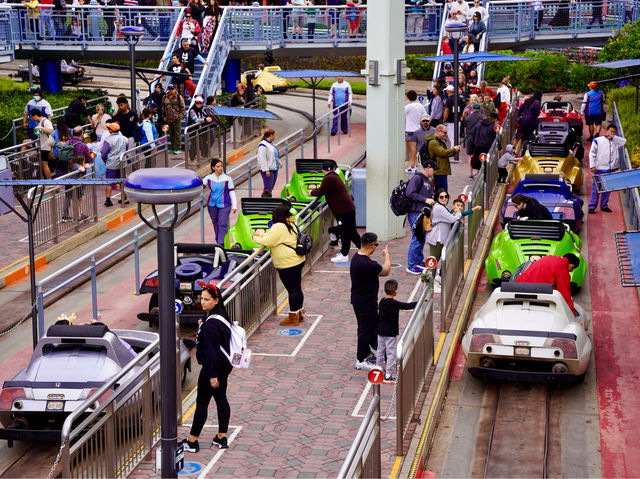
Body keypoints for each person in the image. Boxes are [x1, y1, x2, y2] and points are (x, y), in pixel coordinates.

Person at [181, 283, 232, 453]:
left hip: (212, 369)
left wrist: (212, 376)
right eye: (201, 299)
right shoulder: (221, 316)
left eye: (206, 299)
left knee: (201, 403)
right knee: (221, 399)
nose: (202, 302)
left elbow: (211, 351)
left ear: (216, 300)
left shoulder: (211, 325)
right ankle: (221, 437)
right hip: (224, 367)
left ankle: (192, 441)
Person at [252, 205, 306, 325]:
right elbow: (274, 237)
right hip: (297, 260)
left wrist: (255, 238)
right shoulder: (290, 223)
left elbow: (268, 241)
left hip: (287, 263)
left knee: (292, 290)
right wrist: (261, 235)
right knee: (297, 288)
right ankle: (300, 313)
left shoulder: (278, 226)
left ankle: (293, 317)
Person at [350, 232, 391, 371]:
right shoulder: (369, 264)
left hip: (357, 300)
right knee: (365, 329)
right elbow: (386, 271)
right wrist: (387, 256)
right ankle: (361, 359)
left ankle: (371, 352)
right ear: (372, 246)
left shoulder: (356, 257)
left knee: (370, 327)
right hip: (366, 302)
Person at [310, 160, 360, 263]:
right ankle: (363, 249)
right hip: (348, 207)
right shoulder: (335, 176)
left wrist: (311, 192)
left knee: (345, 232)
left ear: (323, 170)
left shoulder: (328, 179)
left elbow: (321, 191)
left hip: (343, 210)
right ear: (334, 168)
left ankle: (344, 254)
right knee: (351, 231)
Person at [376, 279, 417, 382]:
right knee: (391, 353)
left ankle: (378, 369)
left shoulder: (381, 301)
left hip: (380, 331)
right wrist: (418, 302)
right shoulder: (394, 303)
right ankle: (388, 375)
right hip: (390, 332)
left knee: (380, 351)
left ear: (385, 290)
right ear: (395, 291)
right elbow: (406, 306)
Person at [516, 254, 580, 314]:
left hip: (517, 286)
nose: (571, 271)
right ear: (571, 265)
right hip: (534, 293)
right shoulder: (562, 267)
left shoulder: (549, 258)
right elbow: (565, 293)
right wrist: (572, 313)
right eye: (572, 269)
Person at [425, 188, 462, 292]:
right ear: (437, 198)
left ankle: (436, 280)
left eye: (446, 196)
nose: (444, 198)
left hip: (439, 238)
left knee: (439, 260)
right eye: (441, 197)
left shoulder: (440, 207)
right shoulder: (439, 208)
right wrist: (459, 213)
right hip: (437, 238)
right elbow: (451, 219)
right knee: (434, 261)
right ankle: (429, 283)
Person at [405, 160, 437, 274]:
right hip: (415, 212)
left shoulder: (427, 180)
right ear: (428, 168)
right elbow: (410, 193)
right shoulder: (417, 178)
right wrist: (425, 199)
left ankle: (418, 260)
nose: (434, 172)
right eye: (433, 170)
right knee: (417, 239)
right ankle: (411, 265)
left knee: (421, 238)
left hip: (423, 213)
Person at [588, 124, 627, 214]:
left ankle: (604, 205)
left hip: (611, 169)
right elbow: (592, 153)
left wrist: (614, 137)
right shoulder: (598, 140)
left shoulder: (616, 141)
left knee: (607, 188)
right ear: (606, 131)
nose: (611, 133)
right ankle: (592, 206)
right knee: (596, 188)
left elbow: (624, 141)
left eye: (614, 132)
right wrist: (592, 165)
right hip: (599, 168)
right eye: (610, 131)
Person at [204, 158, 237, 244]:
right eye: (218, 166)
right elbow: (200, 186)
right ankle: (218, 240)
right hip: (212, 205)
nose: (220, 168)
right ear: (213, 168)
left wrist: (234, 205)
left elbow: (232, 191)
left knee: (222, 223)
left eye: (221, 166)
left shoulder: (227, 178)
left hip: (225, 205)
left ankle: (221, 243)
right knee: (215, 223)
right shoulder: (209, 178)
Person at [426, 124, 462, 191]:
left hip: (441, 169)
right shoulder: (434, 142)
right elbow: (443, 152)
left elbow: (444, 153)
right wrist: (454, 149)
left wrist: (455, 151)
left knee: (441, 190)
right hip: (439, 170)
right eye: (445, 132)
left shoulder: (438, 141)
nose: (446, 134)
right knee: (441, 191)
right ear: (439, 131)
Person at [101, 120, 127, 207]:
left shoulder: (108, 140)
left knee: (109, 181)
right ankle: (124, 197)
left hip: (111, 164)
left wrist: (105, 160)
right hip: (122, 163)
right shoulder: (125, 139)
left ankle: (108, 199)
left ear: (111, 130)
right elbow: (126, 149)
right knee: (122, 180)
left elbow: (104, 153)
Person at [405, 90, 427, 173]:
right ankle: (416, 165)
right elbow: (425, 115)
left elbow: (401, 115)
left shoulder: (407, 107)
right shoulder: (420, 106)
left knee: (412, 149)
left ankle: (413, 166)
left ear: (408, 97)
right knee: (416, 149)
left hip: (410, 130)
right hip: (418, 129)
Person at [187, 94, 212, 163]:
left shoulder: (202, 109)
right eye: (197, 103)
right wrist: (205, 119)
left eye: (200, 103)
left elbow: (205, 115)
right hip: (193, 130)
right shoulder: (192, 110)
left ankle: (204, 155)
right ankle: (192, 159)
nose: (198, 104)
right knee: (193, 145)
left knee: (203, 142)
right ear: (195, 102)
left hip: (200, 129)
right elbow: (196, 120)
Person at [30, 109, 54, 179]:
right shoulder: (39, 122)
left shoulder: (45, 121)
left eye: (32, 116)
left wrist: (41, 128)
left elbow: (51, 131)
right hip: (41, 145)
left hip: (45, 146)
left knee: (44, 164)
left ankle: (49, 181)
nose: (32, 118)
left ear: (35, 115)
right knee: (44, 164)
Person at [162, 85, 186, 153]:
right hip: (168, 118)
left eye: (172, 89)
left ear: (175, 89)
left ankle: (178, 148)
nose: (170, 90)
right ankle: (173, 147)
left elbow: (183, 107)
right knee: (171, 133)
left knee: (177, 133)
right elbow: (163, 107)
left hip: (176, 118)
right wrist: (164, 116)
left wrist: (180, 116)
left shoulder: (178, 97)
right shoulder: (165, 97)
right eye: (169, 89)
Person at [257, 129, 281, 194]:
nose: (274, 137)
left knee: (271, 187)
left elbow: (274, 155)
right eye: (274, 135)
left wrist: (278, 161)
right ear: (271, 135)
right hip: (268, 169)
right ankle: (265, 201)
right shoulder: (263, 145)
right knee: (268, 188)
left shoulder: (271, 144)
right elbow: (262, 158)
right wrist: (266, 170)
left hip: (274, 168)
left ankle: (268, 199)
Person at [464, 103, 484, 180]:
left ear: (472, 109)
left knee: (470, 156)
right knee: (480, 155)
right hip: (479, 138)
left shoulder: (468, 117)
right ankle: (479, 172)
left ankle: (470, 174)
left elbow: (465, 128)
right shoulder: (483, 117)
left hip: (470, 138)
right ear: (480, 110)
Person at [442, 84, 463, 152]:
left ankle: (453, 149)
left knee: (451, 136)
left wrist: (444, 119)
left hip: (450, 120)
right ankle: (456, 148)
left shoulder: (449, 99)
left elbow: (446, 110)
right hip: (458, 119)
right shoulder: (460, 98)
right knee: (456, 135)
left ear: (449, 91)